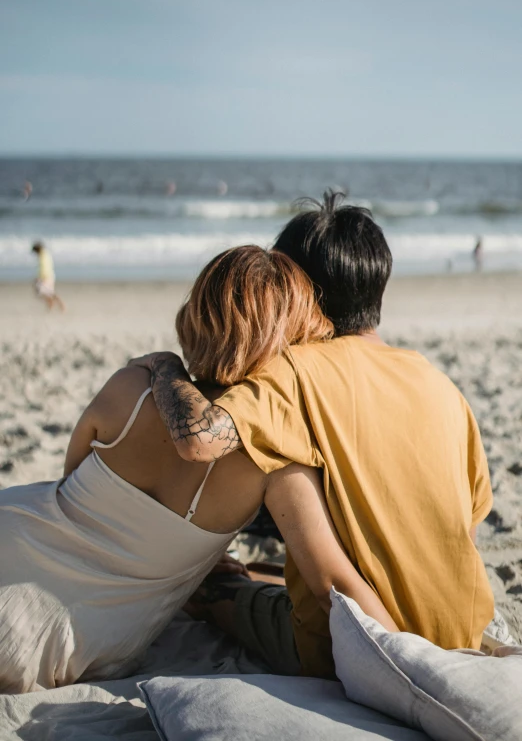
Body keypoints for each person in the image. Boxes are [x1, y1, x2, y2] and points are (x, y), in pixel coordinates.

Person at [0, 245, 397, 694]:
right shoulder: (271, 457)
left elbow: (67, 494)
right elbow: (334, 584)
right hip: (69, 642)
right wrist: (416, 665)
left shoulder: (128, 387)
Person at [131, 191, 495, 679]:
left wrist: (164, 367)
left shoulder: (293, 373)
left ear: (293, 289)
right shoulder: (441, 385)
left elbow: (199, 439)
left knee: (218, 590)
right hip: (460, 632)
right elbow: (466, 527)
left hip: (349, 648)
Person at [31, 241, 65, 312]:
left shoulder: (43, 256)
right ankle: (52, 304)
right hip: (48, 275)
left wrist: (41, 277)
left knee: (45, 292)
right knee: (47, 292)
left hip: (46, 276)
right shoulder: (45, 254)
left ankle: (58, 304)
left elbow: (44, 267)